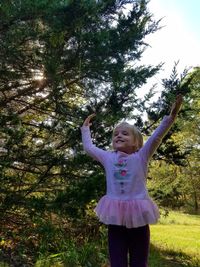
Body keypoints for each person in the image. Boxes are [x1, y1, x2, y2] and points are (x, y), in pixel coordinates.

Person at [81, 95, 183, 267]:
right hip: (116, 219)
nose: (119, 136)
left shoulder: (142, 156)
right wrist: (85, 130)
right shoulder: (108, 157)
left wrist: (171, 116)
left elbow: (157, 137)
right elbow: (89, 148)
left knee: (139, 261)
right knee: (117, 261)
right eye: (116, 134)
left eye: (125, 133)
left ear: (137, 142)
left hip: (139, 218)